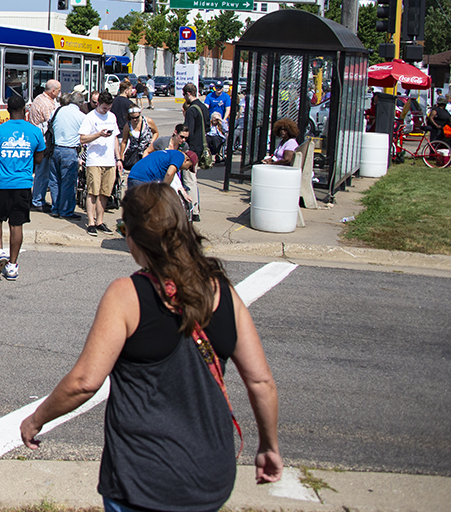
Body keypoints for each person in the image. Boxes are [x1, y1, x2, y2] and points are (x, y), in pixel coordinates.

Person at [20, 184, 282, 512]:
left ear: (133, 237)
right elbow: (261, 382)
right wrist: (269, 445)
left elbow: (85, 382)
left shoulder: (126, 295)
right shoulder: (221, 291)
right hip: (209, 476)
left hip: (142, 478)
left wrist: (37, 418)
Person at [0, 93, 45, 281]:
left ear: (7, 110)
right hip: (22, 185)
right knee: (16, 224)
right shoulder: (35, 132)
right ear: (25, 110)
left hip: (0, 184)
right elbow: (39, 159)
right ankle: (12, 266)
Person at [78, 92, 123, 236]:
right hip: (94, 160)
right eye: (104, 108)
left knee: (105, 192)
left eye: (108, 108)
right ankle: (91, 222)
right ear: (98, 104)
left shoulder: (112, 116)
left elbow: (115, 138)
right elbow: (83, 139)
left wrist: (118, 159)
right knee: (93, 191)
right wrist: (98, 134)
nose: (106, 111)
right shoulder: (90, 117)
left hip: (109, 160)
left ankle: (100, 221)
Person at [48, 93, 86, 220]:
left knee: (55, 181)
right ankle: (66, 211)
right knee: (68, 183)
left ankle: (55, 208)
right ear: (81, 103)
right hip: (69, 150)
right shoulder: (81, 116)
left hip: (55, 149)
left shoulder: (57, 111)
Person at [28, 79, 61, 212]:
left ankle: (37, 198)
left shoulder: (38, 98)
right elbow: (51, 125)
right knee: (43, 172)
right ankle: (38, 200)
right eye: (58, 91)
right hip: (44, 142)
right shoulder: (48, 105)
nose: (59, 93)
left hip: (36, 140)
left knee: (39, 171)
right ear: (53, 91)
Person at [126, 147, 196, 207]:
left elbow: (174, 178)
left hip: (132, 176)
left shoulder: (169, 154)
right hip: (144, 179)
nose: (187, 169)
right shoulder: (180, 156)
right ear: (186, 160)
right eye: (189, 167)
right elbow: (169, 174)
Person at [182, 83, 209, 221]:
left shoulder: (192, 110)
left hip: (192, 149)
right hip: (200, 148)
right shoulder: (204, 107)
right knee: (194, 179)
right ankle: (196, 207)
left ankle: (194, 210)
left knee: (189, 180)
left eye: (184, 95)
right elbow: (208, 127)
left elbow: (188, 132)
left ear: (188, 93)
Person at [119, 105, 157, 174]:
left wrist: (152, 142)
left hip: (147, 152)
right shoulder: (128, 125)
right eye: (132, 118)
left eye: (137, 117)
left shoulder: (148, 121)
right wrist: (121, 156)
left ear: (140, 114)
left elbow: (156, 132)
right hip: (134, 154)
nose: (135, 120)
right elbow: (124, 141)